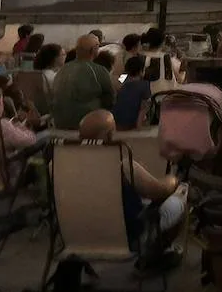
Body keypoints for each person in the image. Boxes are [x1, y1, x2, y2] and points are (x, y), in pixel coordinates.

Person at [78, 109, 186, 249]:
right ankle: (156, 257)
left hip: (82, 234)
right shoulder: (123, 167)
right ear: (110, 135)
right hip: (125, 236)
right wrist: (173, 180)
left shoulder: (62, 168)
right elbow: (159, 190)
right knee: (178, 199)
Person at [49, 35, 116, 131]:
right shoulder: (98, 70)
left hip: (60, 121)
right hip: (83, 122)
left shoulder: (63, 69)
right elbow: (110, 98)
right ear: (94, 50)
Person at [113, 55, 153, 130]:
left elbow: (118, 84)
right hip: (131, 123)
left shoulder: (122, 79)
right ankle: (139, 124)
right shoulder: (145, 85)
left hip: (116, 122)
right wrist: (138, 126)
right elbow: (144, 107)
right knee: (148, 102)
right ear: (141, 71)